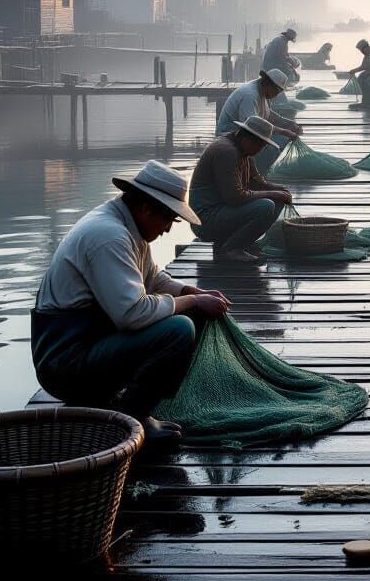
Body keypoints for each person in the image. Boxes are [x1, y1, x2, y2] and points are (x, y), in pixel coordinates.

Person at [31, 161, 231, 445]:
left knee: (190, 312)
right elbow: (132, 314)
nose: (167, 230)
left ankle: (130, 402)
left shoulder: (126, 225)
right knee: (179, 330)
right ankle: (134, 421)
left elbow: (152, 278)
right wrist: (192, 301)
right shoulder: (108, 236)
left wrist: (191, 291)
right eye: (168, 220)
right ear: (146, 208)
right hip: (66, 363)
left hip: (88, 343)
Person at [190, 115, 292, 263]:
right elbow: (235, 197)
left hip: (223, 211)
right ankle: (231, 249)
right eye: (260, 145)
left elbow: (256, 182)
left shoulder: (245, 152)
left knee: (277, 201)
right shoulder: (226, 152)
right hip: (205, 220)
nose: (260, 150)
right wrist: (274, 193)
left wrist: (279, 190)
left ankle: (241, 243)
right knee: (266, 206)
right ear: (248, 139)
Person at [216, 68, 302, 174]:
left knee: (283, 140)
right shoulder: (250, 95)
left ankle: (258, 171)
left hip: (246, 133)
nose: (276, 95)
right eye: (276, 91)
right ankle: (259, 172)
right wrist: (284, 131)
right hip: (230, 133)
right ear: (267, 83)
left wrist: (287, 123)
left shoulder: (261, 91)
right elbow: (253, 127)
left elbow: (268, 115)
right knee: (275, 145)